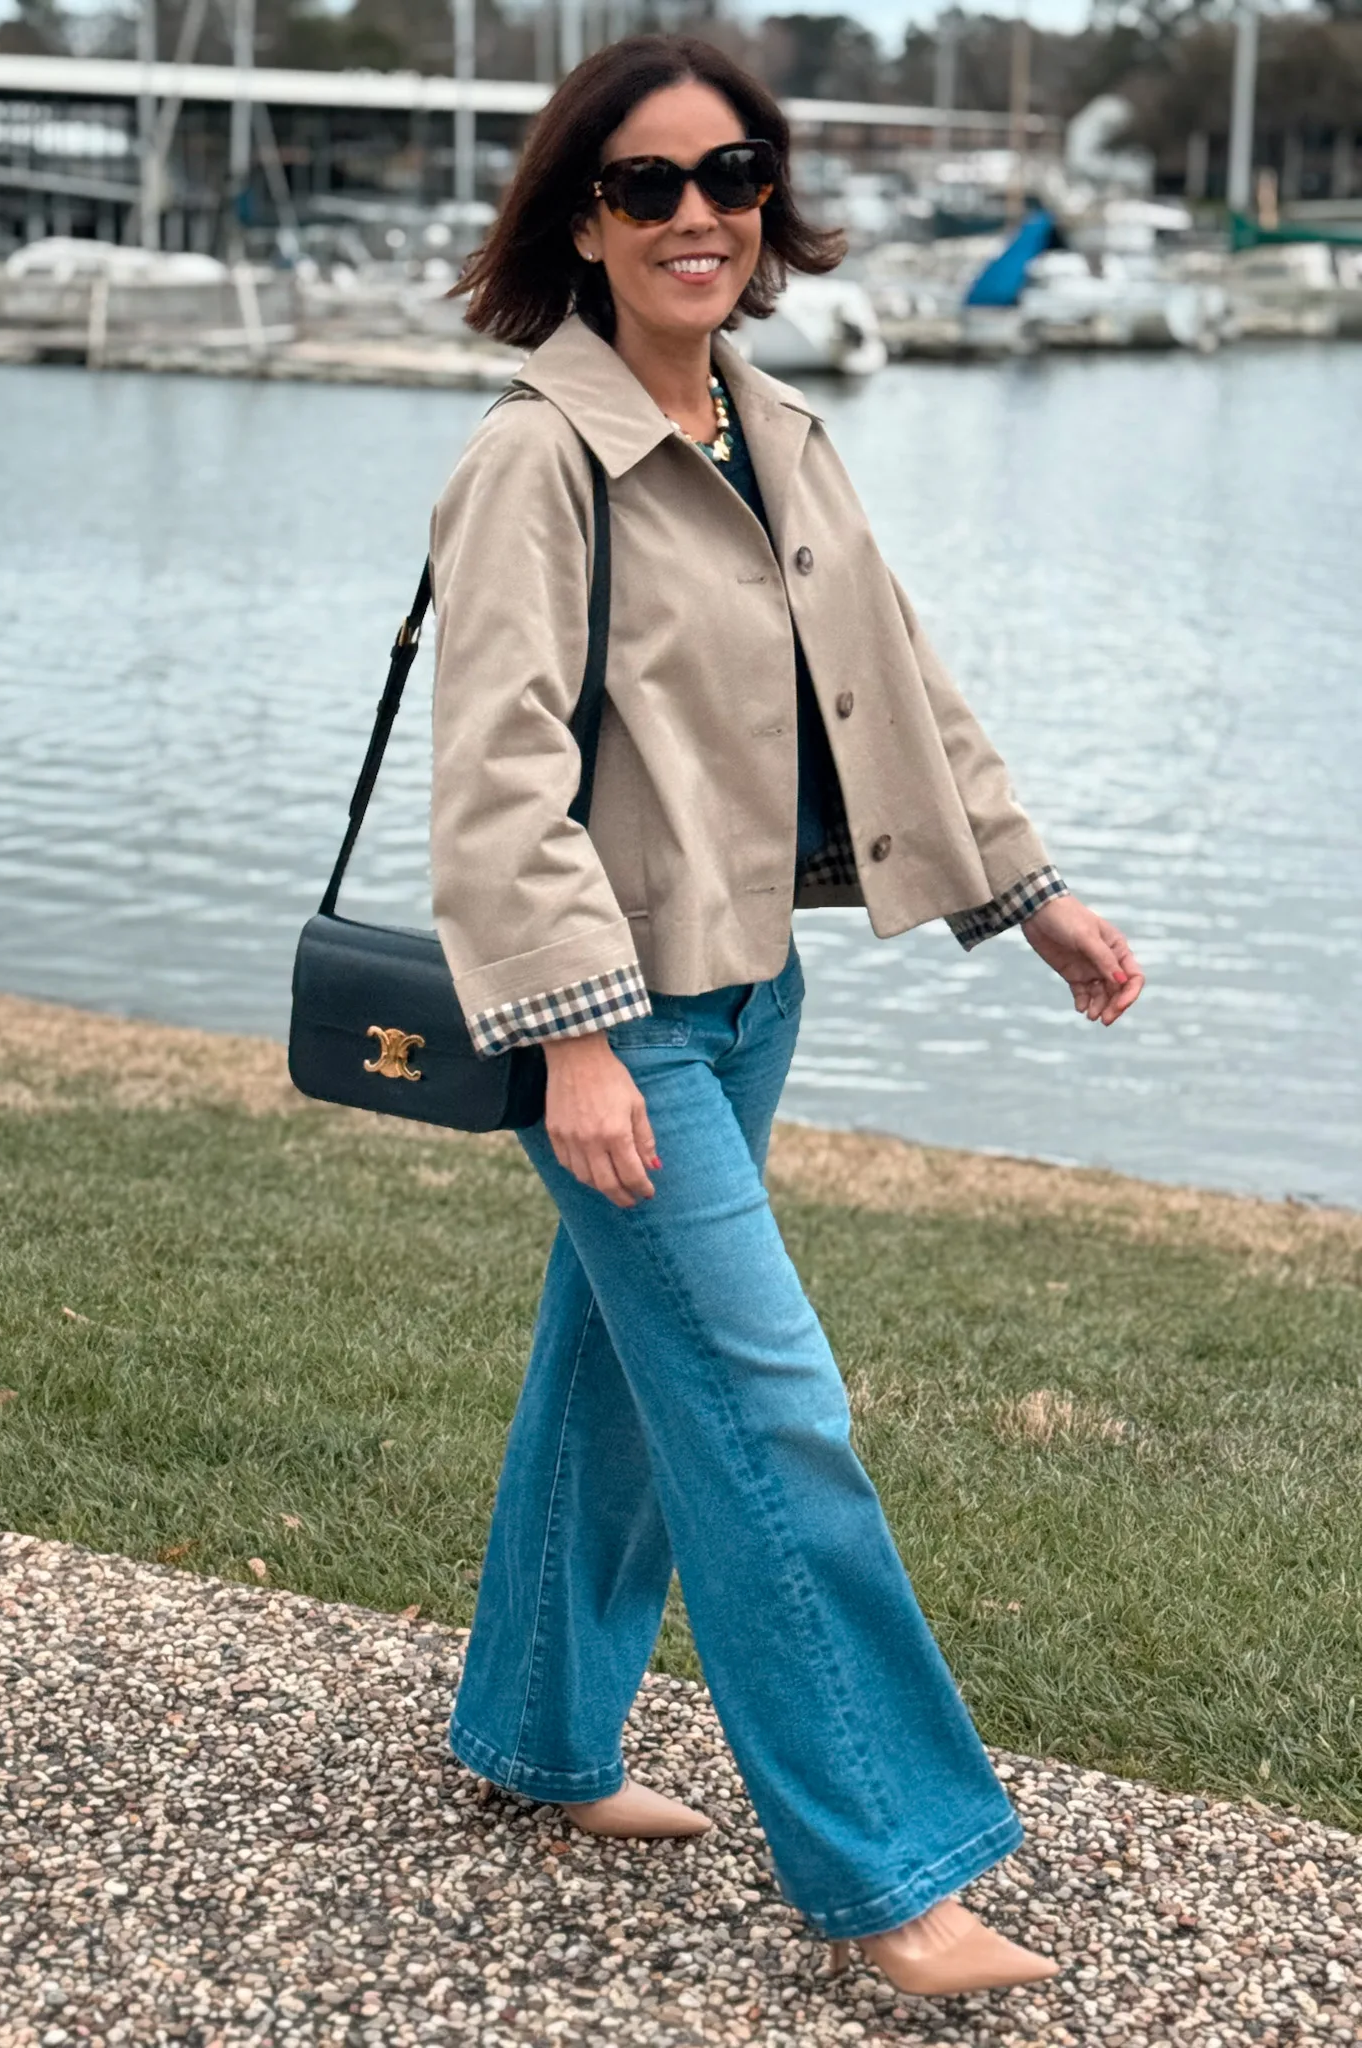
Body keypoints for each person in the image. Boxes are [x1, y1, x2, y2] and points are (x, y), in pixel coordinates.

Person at [427, 34, 1144, 1997]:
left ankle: (533, 1735)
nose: (697, 216)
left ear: (770, 200)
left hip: (751, 996)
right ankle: (892, 1871)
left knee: (618, 1388)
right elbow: (495, 783)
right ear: (579, 215)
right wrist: (571, 1034)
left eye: (729, 176)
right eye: (649, 184)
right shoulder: (535, 458)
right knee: (768, 1411)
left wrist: (1032, 893)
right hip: (622, 1012)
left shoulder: (783, 429)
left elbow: (901, 681)